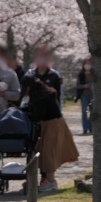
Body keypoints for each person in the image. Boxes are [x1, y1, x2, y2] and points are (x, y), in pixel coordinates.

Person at [21, 46, 78, 192]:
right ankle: (43, 180)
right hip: (49, 123)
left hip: (51, 123)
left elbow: (38, 114)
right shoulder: (43, 91)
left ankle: (50, 181)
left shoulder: (43, 95)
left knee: (49, 153)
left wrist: (22, 112)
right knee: (44, 152)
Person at [75, 58, 94, 135]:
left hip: (92, 94)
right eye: (86, 63)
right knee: (84, 112)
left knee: (92, 111)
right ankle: (85, 128)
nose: (87, 65)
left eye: (89, 63)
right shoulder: (81, 74)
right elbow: (77, 85)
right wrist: (84, 86)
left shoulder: (94, 74)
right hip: (84, 95)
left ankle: (91, 127)